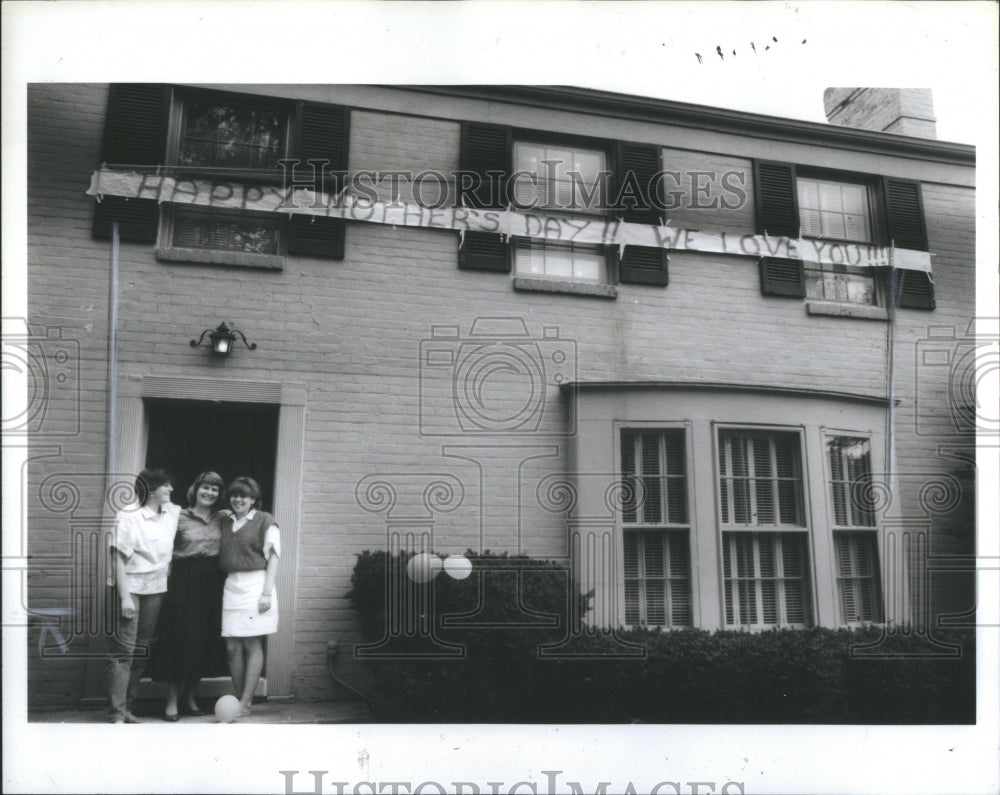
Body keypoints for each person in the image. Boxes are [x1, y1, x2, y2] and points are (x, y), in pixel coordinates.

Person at [150, 471, 229, 720]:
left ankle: (191, 697)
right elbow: (162, 547)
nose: (209, 493)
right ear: (195, 489)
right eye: (205, 487)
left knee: (204, 639)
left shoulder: (223, 518)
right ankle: (172, 701)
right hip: (183, 581)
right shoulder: (177, 516)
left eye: (215, 489)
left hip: (212, 581)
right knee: (181, 638)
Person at [106, 468, 181, 723]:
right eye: (166, 486)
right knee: (123, 651)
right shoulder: (129, 515)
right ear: (151, 491)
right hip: (130, 588)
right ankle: (116, 713)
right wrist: (125, 597)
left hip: (156, 590)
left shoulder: (171, 512)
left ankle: (128, 706)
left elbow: (196, 511)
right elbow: (117, 557)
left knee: (141, 649)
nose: (171, 490)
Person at [219, 476, 280, 717]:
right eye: (234, 495)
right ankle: (238, 698)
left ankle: (245, 702)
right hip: (232, 584)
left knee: (251, 643)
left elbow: (274, 556)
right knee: (232, 646)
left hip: (257, 584)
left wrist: (266, 592)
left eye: (244, 495)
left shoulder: (266, 521)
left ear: (254, 499)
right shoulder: (225, 521)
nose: (238, 499)